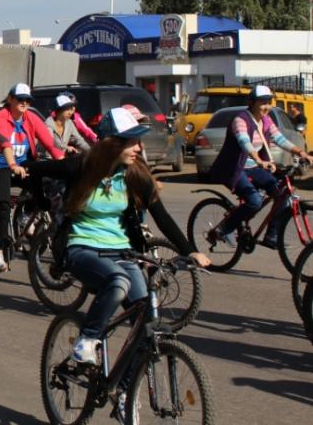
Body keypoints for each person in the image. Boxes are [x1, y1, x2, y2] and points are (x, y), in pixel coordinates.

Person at [29, 108, 211, 369]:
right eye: (131, 142)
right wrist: (43, 203)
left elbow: (162, 216)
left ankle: (125, 392)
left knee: (147, 325)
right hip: (81, 248)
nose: (138, 148)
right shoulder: (81, 166)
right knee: (118, 281)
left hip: (122, 252)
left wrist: (189, 251)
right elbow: (35, 170)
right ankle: (87, 340)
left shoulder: (134, 173)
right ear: (110, 144)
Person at [0, 83, 64, 272]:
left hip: (22, 164)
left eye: (27, 100)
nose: (24, 103)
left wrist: (64, 163)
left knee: (47, 183)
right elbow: (5, 144)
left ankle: (26, 215)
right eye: (20, 99)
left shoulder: (30, 118)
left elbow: (50, 143)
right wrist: (13, 165)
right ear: (10, 99)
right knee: (2, 205)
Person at [208, 85, 312, 247]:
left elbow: (280, 138)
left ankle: (272, 236)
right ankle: (223, 229)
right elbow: (245, 142)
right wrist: (259, 160)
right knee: (255, 202)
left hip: (254, 167)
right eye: (262, 102)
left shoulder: (266, 120)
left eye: (269, 102)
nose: (266, 106)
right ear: (252, 103)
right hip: (236, 168)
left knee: (282, 194)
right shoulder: (240, 120)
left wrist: (301, 153)